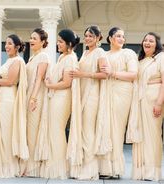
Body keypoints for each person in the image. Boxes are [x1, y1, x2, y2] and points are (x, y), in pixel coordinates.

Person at [0, 34, 29, 178]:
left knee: (6, 132)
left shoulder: (17, 61)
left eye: (10, 44)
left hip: (8, 98)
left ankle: (8, 166)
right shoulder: (8, 61)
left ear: (17, 47)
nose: (7, 46)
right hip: (0, 96)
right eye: (6, 43)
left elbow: (10, 81)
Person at [95, 27, 138, 178]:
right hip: (106, 92)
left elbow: (133, 75)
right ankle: (104, 168)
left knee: (117, 129)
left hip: (122, 92)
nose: (121, 39)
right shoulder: (104, 55)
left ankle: (115, 169)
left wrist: (113, 73)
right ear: (110, 38)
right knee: (104, 127)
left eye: (123, 37)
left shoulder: (128, 53)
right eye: (118, 36)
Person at [39, 29, 82, 179]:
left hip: (62, 97)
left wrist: (50, 86)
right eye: (57, 41)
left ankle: (61, 168)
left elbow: (66, 83)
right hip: (56, 96)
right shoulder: (62, 57)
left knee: (57, 129)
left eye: (61, 42)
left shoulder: (70, 58)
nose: (58, 44)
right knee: (53, 130)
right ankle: (54, 165)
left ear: (69, 43)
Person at [69, 25, 107, 180]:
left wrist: (83, 74)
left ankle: (90, 169)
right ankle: (82, 165)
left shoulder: (100, 52)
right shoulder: (84, 52)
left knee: (88, 129)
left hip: (92, 94)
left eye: (91, 36)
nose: (88, 38)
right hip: (82, 92)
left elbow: (104, 74)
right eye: (86, 36)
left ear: (98, 38)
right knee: (82, 128)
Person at [130, 32, 164, 181]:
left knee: (153, 136)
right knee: (141, 137)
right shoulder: (141, 60)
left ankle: (152, 172)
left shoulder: (161, 58)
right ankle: (141, 171)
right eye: (145, 40)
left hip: (153, 100)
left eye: (151, 40)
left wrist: (159, 102)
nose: (147, 43)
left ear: (157, 44)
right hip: (140, 101)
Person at [24, 28, 50, 177]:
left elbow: (39, 79)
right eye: (31, 38)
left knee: (33, 130)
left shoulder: (43, 57)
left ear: (43, 42)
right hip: (29, 95)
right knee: (29, 131)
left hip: (36, 97)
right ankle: (29, 164)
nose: (31, 40)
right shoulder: (32, 58)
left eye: (35, 38)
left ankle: (34, 167)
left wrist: (33, 98)